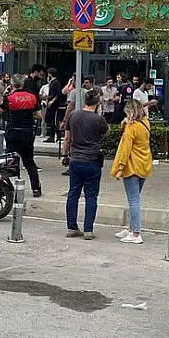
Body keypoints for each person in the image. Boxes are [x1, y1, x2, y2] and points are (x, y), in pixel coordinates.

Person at [63, 90, 108, 239]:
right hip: (92, 160)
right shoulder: (98, 119)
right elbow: (105, 133)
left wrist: (65, 154)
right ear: (97, 102)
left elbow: (67, 138)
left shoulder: (73, 116)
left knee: (73, 194)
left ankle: (71, 227)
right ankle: (88, 229)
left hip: (75, 159)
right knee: (91, 195)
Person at [111, 99, 152, 244]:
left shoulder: (131, 127)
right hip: (144, 164)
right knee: (135, 198)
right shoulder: (145, 122)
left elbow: (125, 148)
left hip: (132, 166)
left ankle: (136, 233)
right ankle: (130, 228)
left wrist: (120, 168)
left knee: (133, 201)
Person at [0, 74, 42, 197]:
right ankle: (36, 188)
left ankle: (7, 187)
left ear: (12, 84)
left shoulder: (10, 98)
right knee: (29, 162)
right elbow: (39, 115)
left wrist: (4, 96)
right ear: (23, 83)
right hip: (27, 132)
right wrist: (28, 116)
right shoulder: (32, 96)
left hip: (13, 132)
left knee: (10, 160)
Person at [43, 68, 64, 143]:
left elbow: (58, 93)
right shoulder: (51, 82)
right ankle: (51, 136)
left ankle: (57, 135)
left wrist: (52, 101)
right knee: (49, 119)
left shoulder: (56, 82)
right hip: (50, 101)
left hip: (54, 104)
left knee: (53, 120)